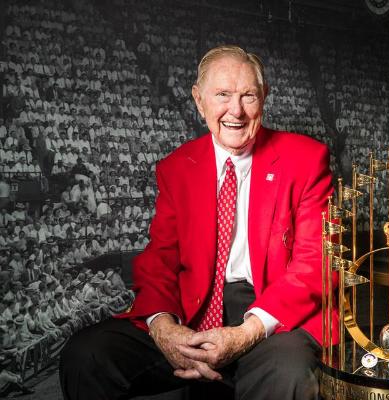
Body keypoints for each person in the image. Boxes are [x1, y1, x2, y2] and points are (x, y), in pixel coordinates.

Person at [59, 45, 337, 400]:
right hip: (193, 309)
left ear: (264, 97)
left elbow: (314, 264)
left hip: (271, 313)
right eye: (222, 95)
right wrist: (164, 328)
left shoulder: (306, 159)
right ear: (199, 99)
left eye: (248, 96)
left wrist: (244, 333)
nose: (235, 111)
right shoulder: (176, 167)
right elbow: (160, 259)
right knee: (86, 355)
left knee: (289, 373)